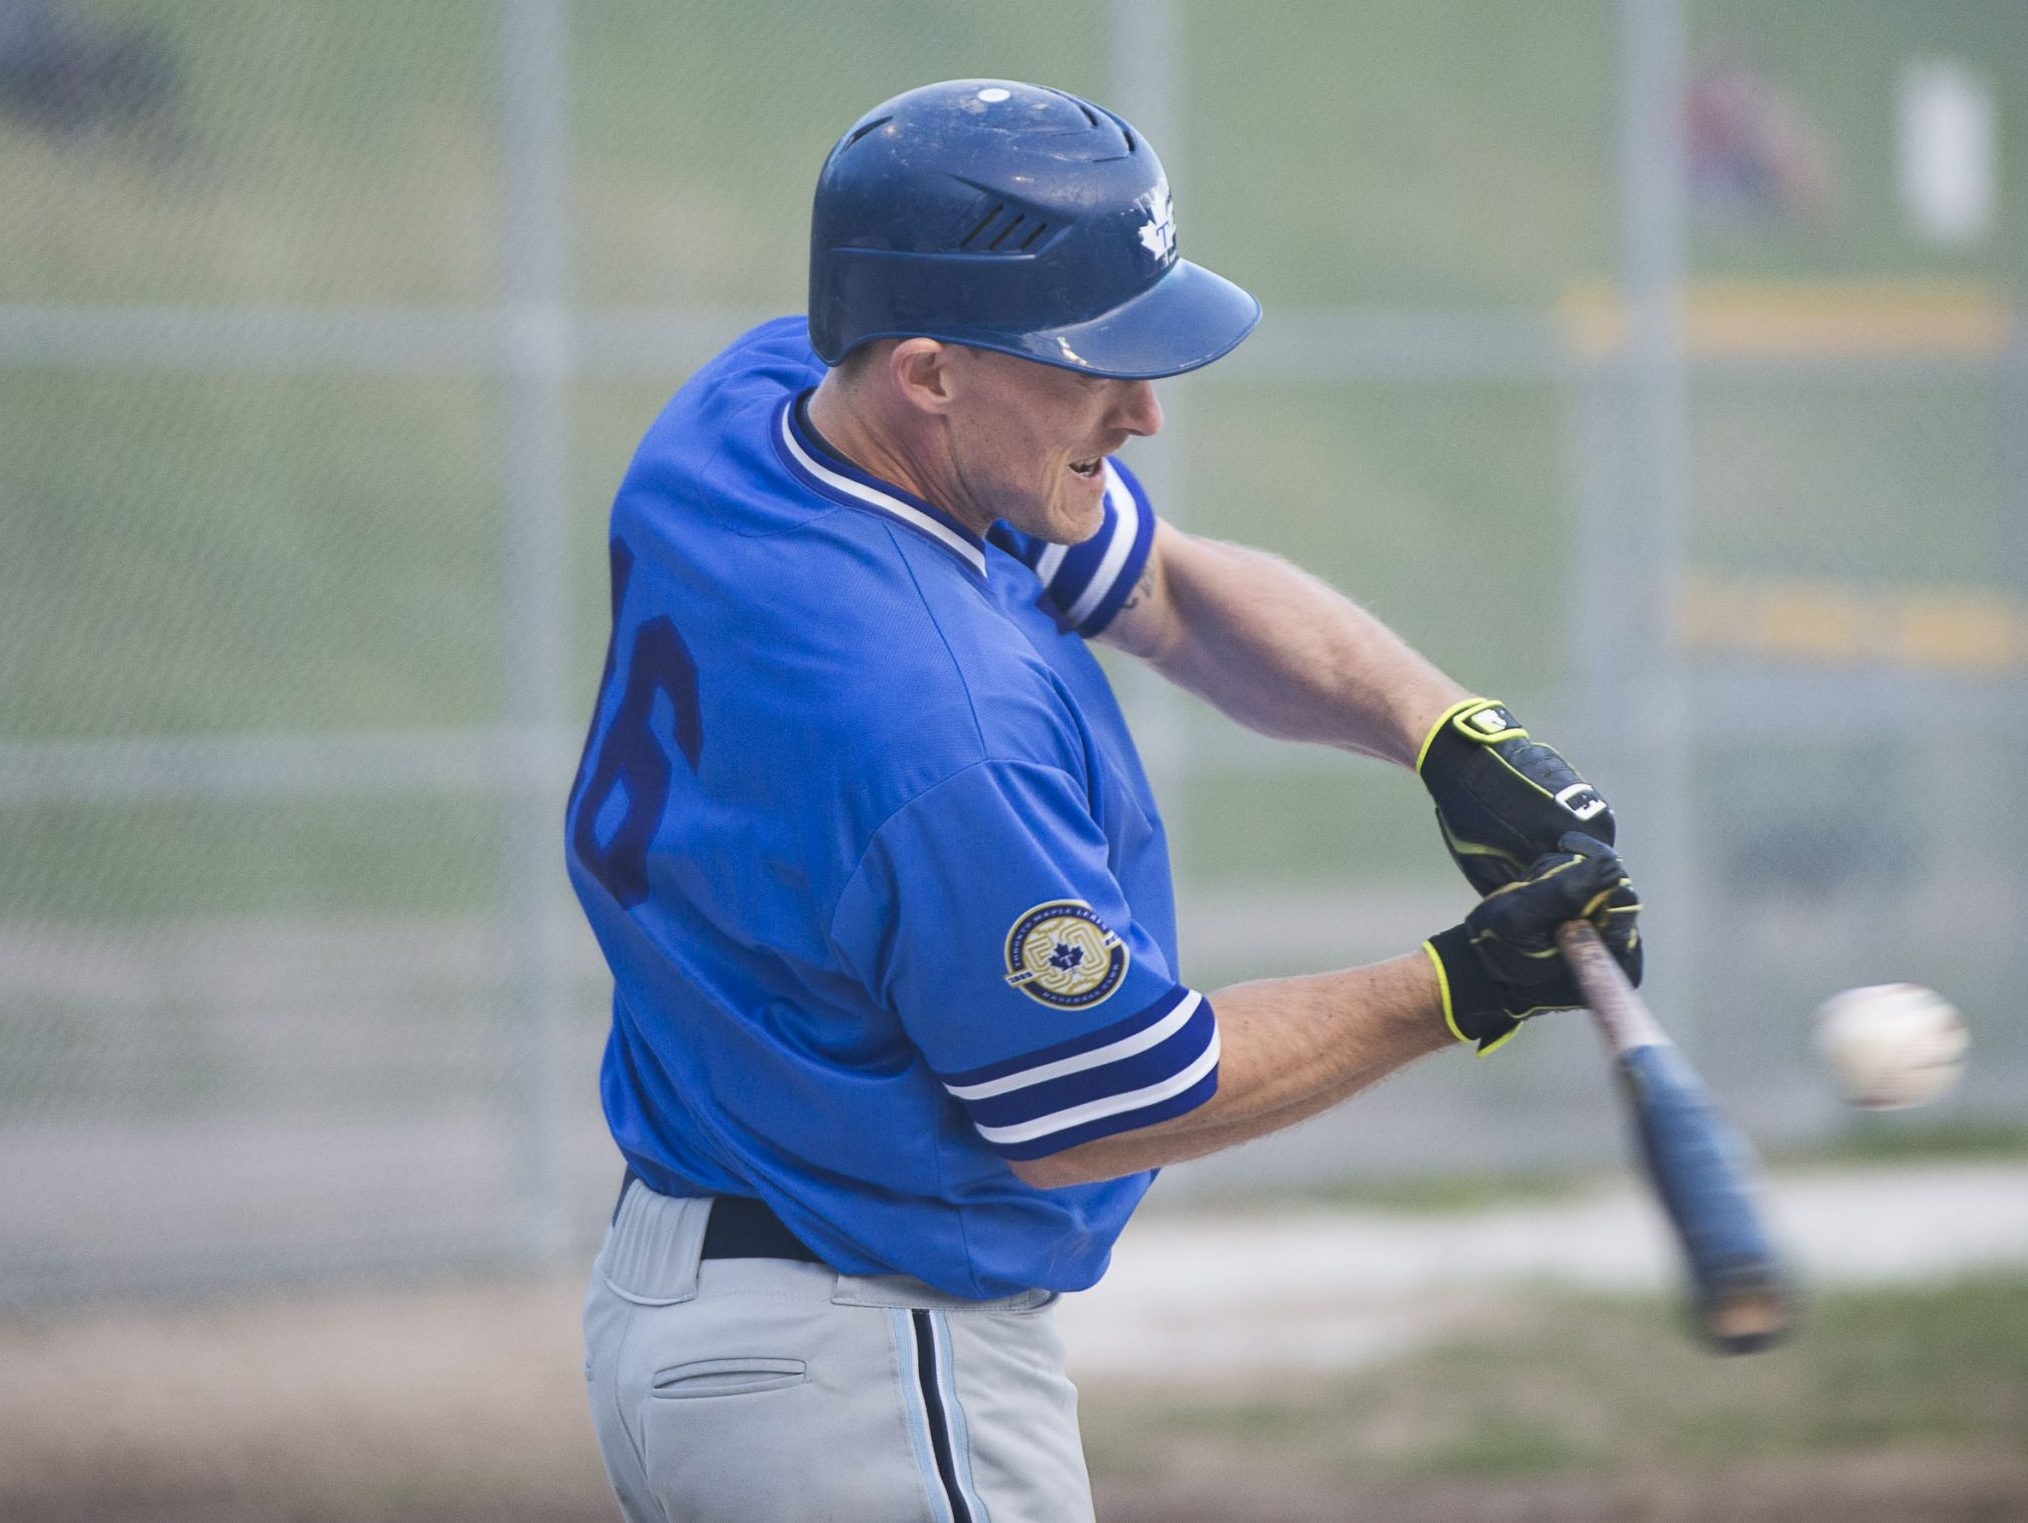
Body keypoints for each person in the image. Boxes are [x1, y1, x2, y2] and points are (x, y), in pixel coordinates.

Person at [565, 78, 1640, 1523]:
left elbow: (1176, 595)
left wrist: (1444, 733)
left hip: (708, 1297)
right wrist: (1457, 985)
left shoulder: (753, 414)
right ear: (930, 369)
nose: (1141, 412)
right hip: (862, 1364)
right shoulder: (938, 722)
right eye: (1091, 365)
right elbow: (1105, 1100)